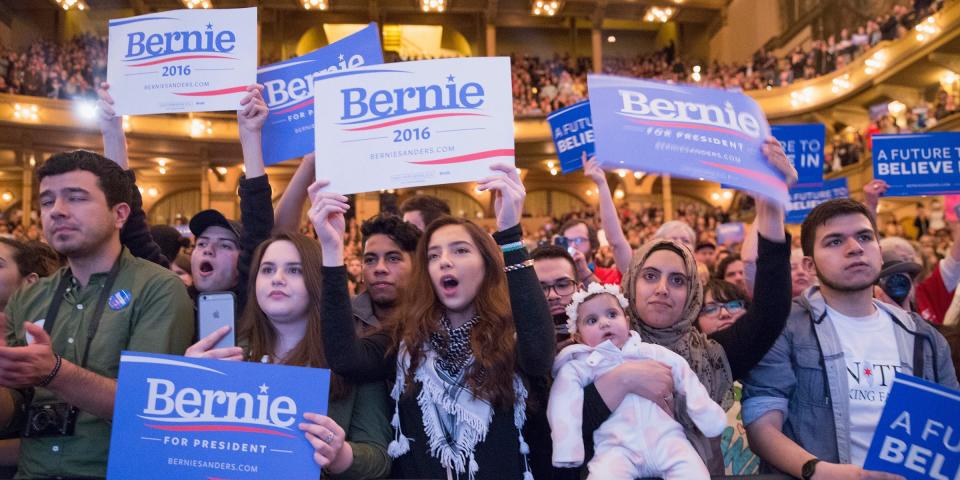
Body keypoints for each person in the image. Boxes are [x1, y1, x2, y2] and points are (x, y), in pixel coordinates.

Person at [311, 164, 555, 478]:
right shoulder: (405, 338)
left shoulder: (511, 335)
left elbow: (538, 356)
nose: (445, 261)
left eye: (460, 250)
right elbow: (345, 358)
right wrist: (331, 252)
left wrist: (509, 234)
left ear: (487, 265)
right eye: (434, 255)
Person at [577, 137, 795, 475]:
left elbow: (771, 309)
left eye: (678, 280)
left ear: (693, 293)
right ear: (630, 283)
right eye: (650, 276)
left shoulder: (712, 355)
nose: (663, 289)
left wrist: (771, 202)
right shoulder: (595, 345)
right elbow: (566, 427)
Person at [0, 150, 195, 478]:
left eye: (75, 198)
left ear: (120, 214)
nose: (57, 211)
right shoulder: (30, 297)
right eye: (47, 202)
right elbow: (14, 411)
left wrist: (55, 372)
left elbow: (150, 407)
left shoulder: (158, 288)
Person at [742, 198, 958, 479]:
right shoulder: (784, 328)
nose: (855, 248)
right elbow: (761, 426)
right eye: (834, 241)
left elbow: (950, 426)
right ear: (809, 266)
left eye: (864, 237)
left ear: (879, 253)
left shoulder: (924, 337)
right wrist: (823, 472)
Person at [185, 232, 392, 479]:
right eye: (267, 270)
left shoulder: (355, 357)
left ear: (318, 281)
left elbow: (380, 459)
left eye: (294, 270)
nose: (277, 279)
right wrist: (186, 379)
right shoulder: (225, 352)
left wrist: (340, 455)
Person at [96, 82, 274, 310]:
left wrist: (250, 134)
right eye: (201, 243)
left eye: (226, 245)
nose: (208, 249)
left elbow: (258, 225)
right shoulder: (170, 298)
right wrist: (112, 133)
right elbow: (133, 232)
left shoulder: (253, 307)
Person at [549, 283, 726, 479]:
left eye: (611, 314)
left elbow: (684, 374)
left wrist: (704, 411)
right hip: (616, 448)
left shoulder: (649, 352)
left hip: (667, 440)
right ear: (579, 336)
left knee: (695, 473)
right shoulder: (582, 365)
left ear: (626, 321)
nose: (604, 323)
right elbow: (563, 401)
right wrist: (568, 447)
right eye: (592, 320)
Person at [532, 245, 580, 344]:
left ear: (580, 289)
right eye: (541, 288)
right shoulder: (516, 346)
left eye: (563, 285)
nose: (553, 295)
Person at [560, 217, 622, 285]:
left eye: (579, 240)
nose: (572, 246)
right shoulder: (557, 277)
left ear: (593, 246)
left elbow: (606, 295)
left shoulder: (612, 275)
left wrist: (584, 273)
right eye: (567, 241)